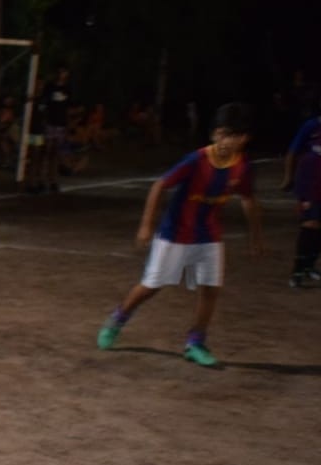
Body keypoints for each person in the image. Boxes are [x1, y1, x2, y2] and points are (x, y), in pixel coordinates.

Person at [97, 103, 263, 367]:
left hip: (209, 235)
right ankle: (117, 319)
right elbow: (160, 185)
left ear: (244, 138)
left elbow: (248, 199)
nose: (231, 141)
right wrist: (146, 225)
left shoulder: (242, 167)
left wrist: (255, 237)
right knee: (151, 286)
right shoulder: (196, 160)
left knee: (211, 289)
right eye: (226, 134)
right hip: (174, 234)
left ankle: (195, 342)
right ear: (215, 134)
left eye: (237, 136)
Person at [281, 112, 321, 288]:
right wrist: (288, 177)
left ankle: (309, 265)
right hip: (311, 182)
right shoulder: (311, 126)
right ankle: (297, 271)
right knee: (310, 223)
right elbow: (292, 152)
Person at [36, 66, 74, 192]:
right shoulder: (50, 87)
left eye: (64, 72)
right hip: (49, 123)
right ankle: (41, 180)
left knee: (55, 152)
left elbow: (68, 108)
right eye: (60, 71)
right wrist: (43, 119)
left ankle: (52, 180)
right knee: (45, 151)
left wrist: (68, 125)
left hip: (60, 124)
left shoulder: (67, 89)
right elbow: (44, 104)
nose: (62, 74)